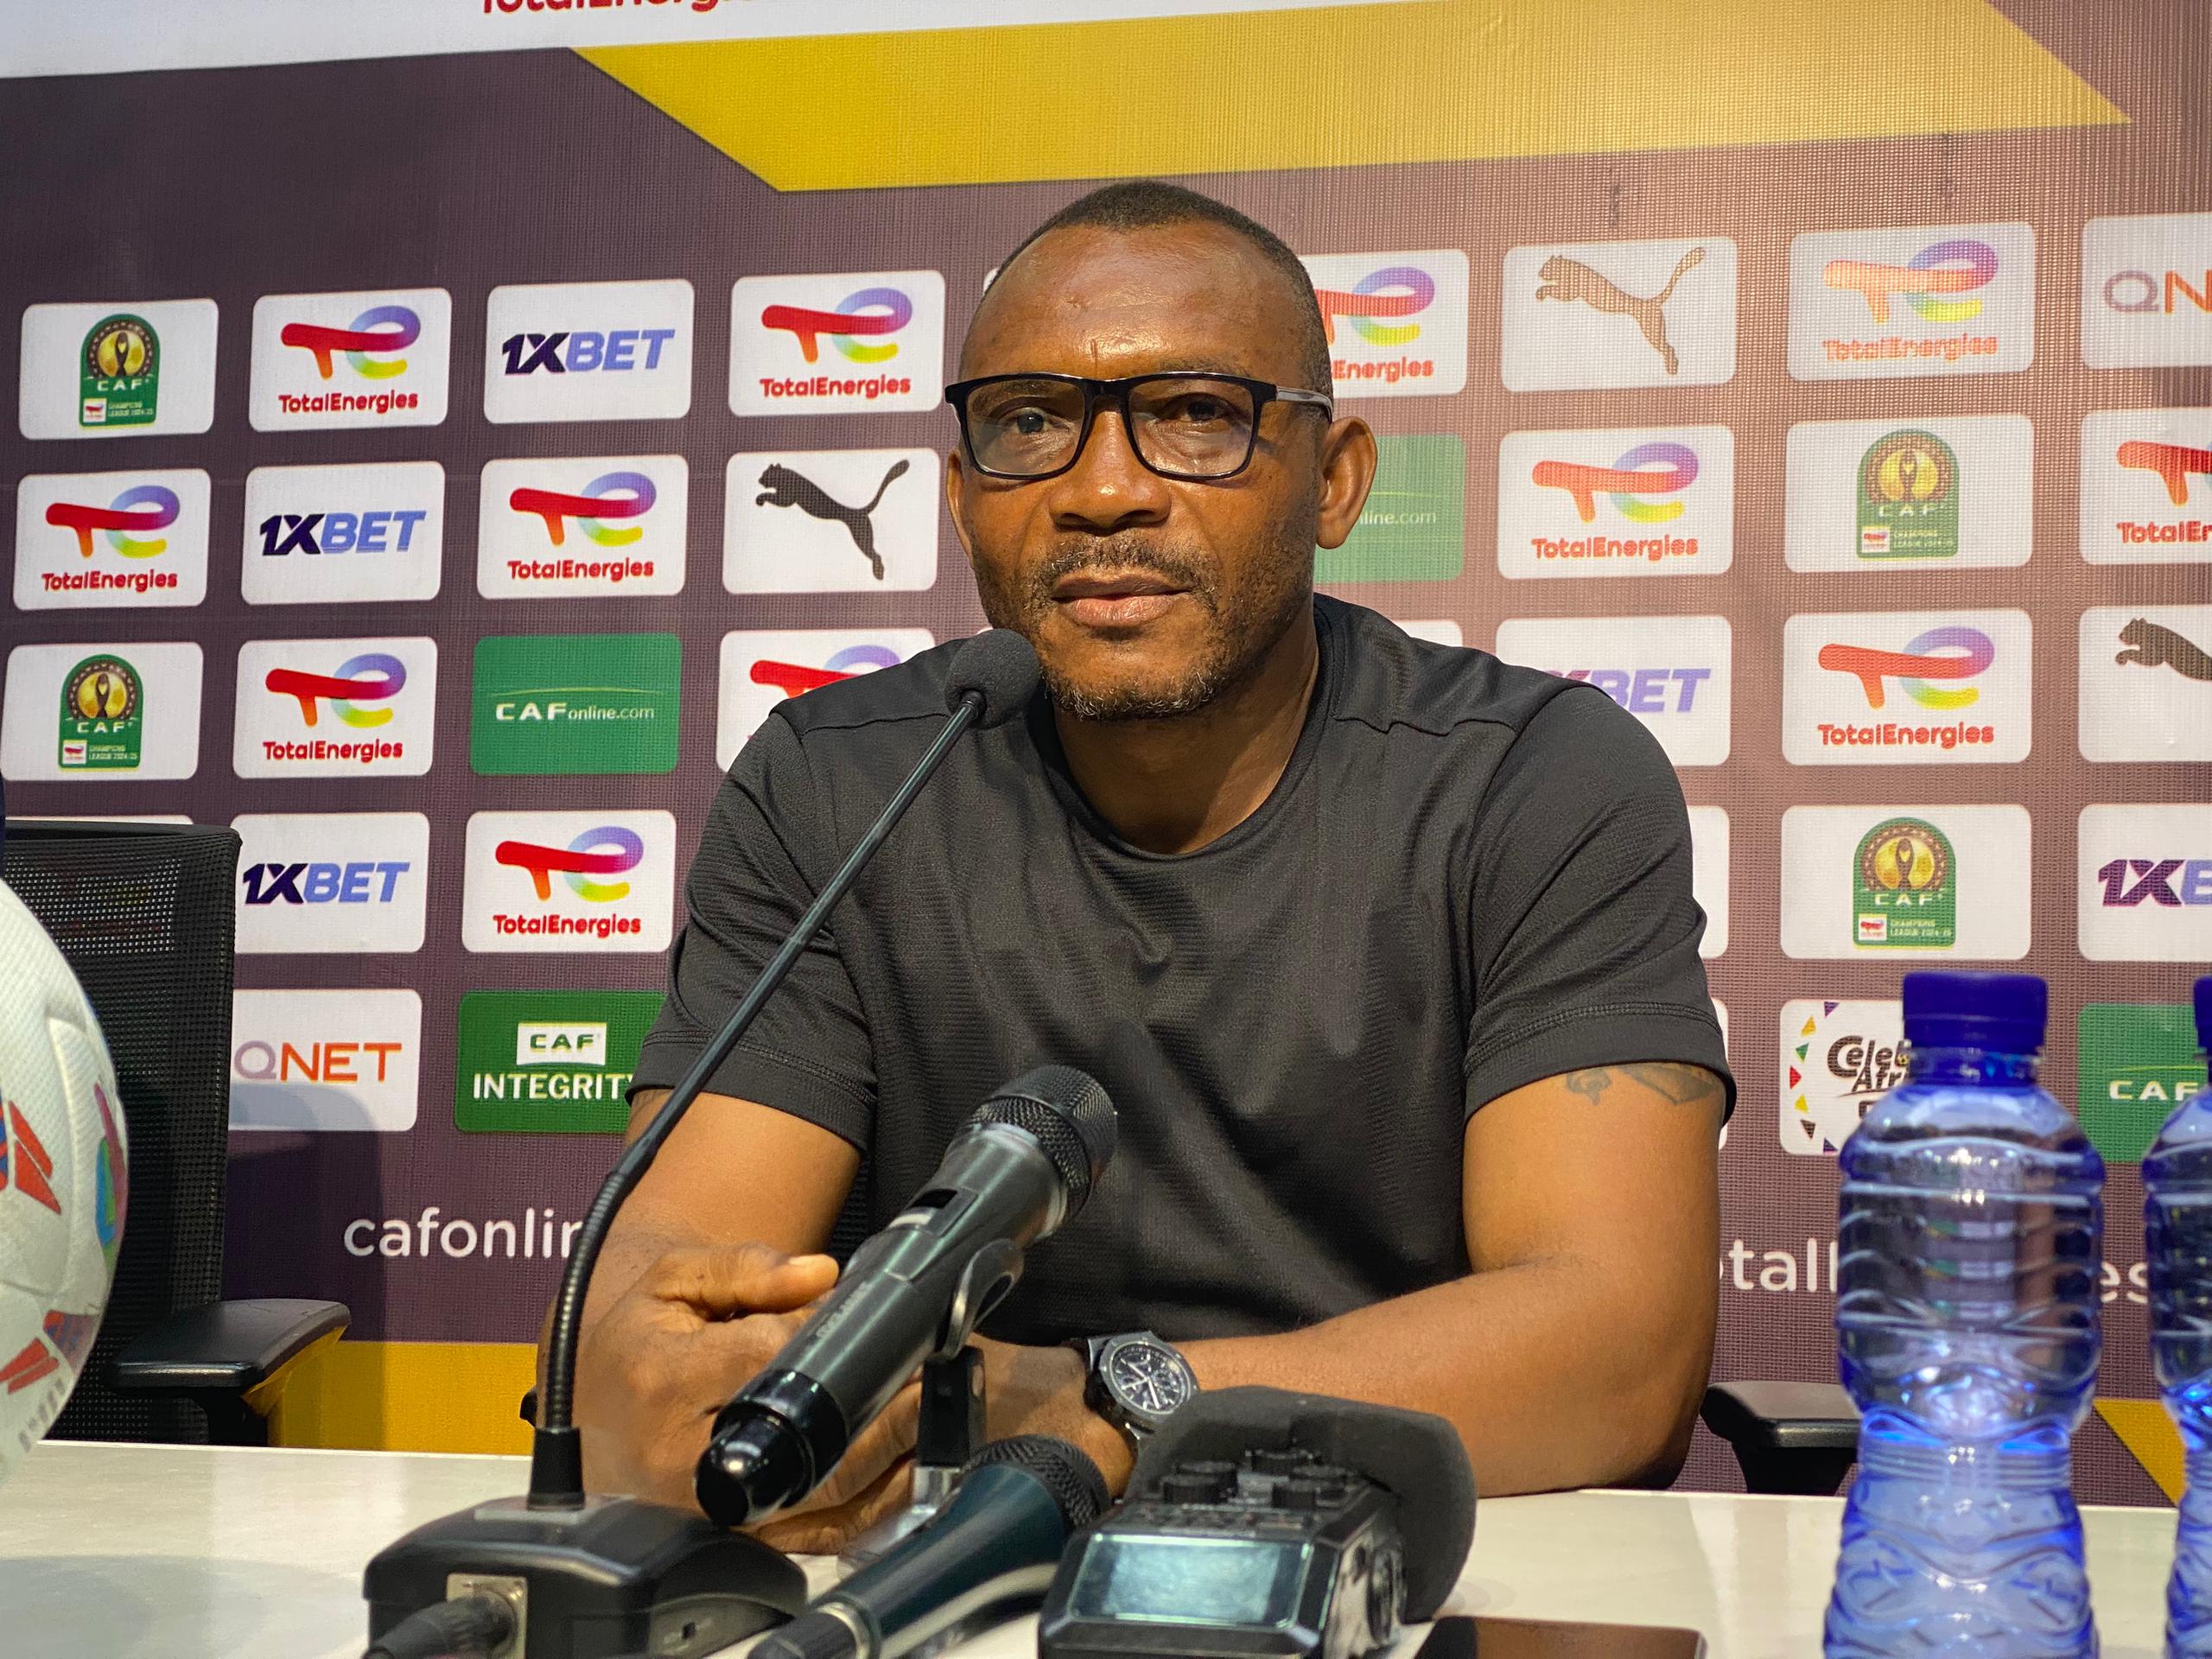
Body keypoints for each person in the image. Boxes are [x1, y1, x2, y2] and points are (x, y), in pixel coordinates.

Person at [558, 181, 1733, 1555]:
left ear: (1336, 479)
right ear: (961, 497)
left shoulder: (1533, 778)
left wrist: (1096, 1409)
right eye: (1028, 423)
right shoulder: (839, 783)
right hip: (923, 1565)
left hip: (1382, 1568)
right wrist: (661, 1371)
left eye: (1192, 414)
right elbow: (657, 1288)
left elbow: (1619, 1353)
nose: (1101, 491)